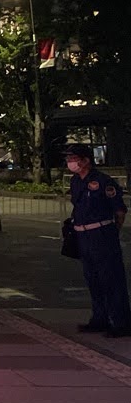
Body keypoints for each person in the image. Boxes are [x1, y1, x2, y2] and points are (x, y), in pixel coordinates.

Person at [65, 143, 130, 338]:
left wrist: (110, 233)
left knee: (111, 279)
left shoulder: (103, 182)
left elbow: (119, 211)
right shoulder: (76, 181)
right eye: (68, 159)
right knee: (93, 279)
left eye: (73, 158)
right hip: (83, 236)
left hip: (102, 233)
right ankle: (99, 319)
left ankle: (122, 322)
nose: (70, 162)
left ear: (86, 160)